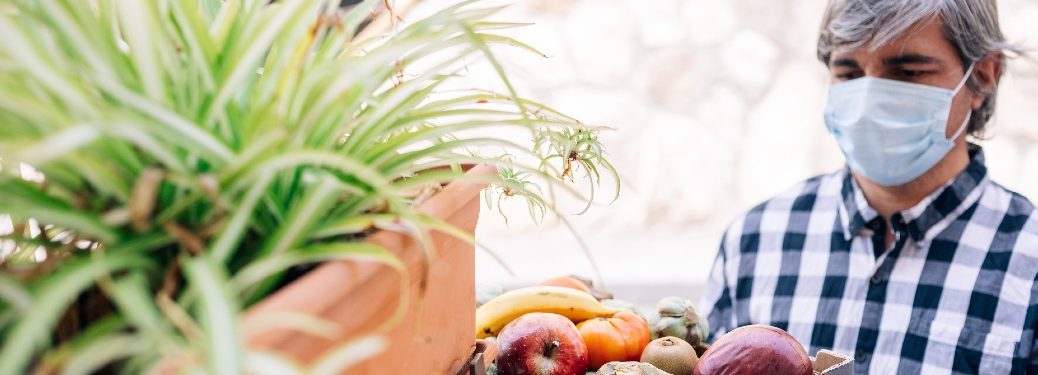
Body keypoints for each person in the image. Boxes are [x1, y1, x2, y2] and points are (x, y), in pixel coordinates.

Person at [700, 0, 1037, 373]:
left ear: (984, 75)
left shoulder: (1028, 263)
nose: (867, 101)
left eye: (907, 72)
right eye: (848, 74)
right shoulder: (755, 241)